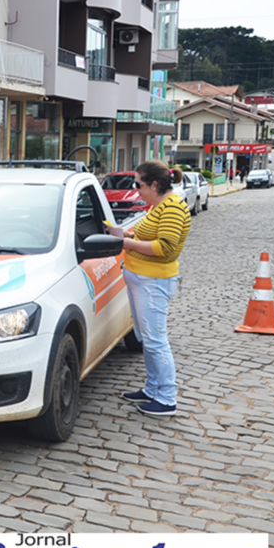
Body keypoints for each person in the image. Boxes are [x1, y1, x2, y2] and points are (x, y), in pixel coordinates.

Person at [107, 161, 191, 417]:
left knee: (156, 341)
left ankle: (166, 398)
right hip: (143, 279)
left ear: (154, 185)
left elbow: (164, 247)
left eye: (138, 184)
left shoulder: (173, 208)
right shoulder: (159, 206)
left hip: (153, 281)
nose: (135, 190)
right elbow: (149, 239)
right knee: (148, 339)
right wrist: (126, 237)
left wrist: (127, 244)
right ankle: (153, 387)